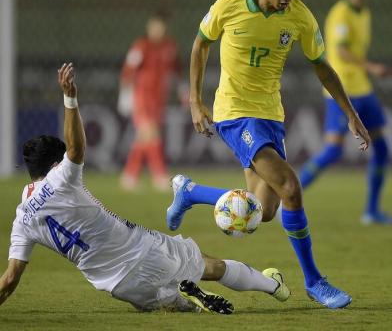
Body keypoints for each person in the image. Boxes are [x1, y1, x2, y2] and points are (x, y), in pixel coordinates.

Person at [166, 0, 371, 309]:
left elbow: (322, 66)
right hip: (234, 113)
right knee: (291, 187)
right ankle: (315, 282)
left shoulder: (300, 18)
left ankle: (190, 191)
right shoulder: (229, 7)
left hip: (271, 116)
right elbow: (200, 45)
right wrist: (196, 103)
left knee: (263, 209)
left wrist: (350, 113)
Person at [0, 63, 290, 314]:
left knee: (174, 305)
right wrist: (70, 98)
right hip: (142, 249)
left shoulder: (21, 221)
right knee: (212, 267)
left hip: (119, 286)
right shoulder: (60, 178)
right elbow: (76, 148)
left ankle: (184, 297)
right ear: (54, 164)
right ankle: (273, 285)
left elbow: (10, 279)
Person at [299, 0, 391, 224]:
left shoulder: (365, 14)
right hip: (342, 90)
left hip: (364, 89)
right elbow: (340, 52)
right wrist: (373, 67)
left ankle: (371, 211)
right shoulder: (341, 13)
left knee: (382, 148)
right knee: (333, 149)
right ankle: (291, 195)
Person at [118, 15, 186, 191]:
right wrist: (125, 95)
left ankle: (129, 176)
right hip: (141, 96)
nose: (158, 31)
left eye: (161, 27)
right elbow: (128, 70)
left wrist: (183, 91)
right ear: (149, 28)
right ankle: (159, 175)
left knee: (144, 137)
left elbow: (178, 71)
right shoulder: (141, 46)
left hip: (158, 98)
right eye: (155, 27)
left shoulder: (169, 47)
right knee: (151, 134)